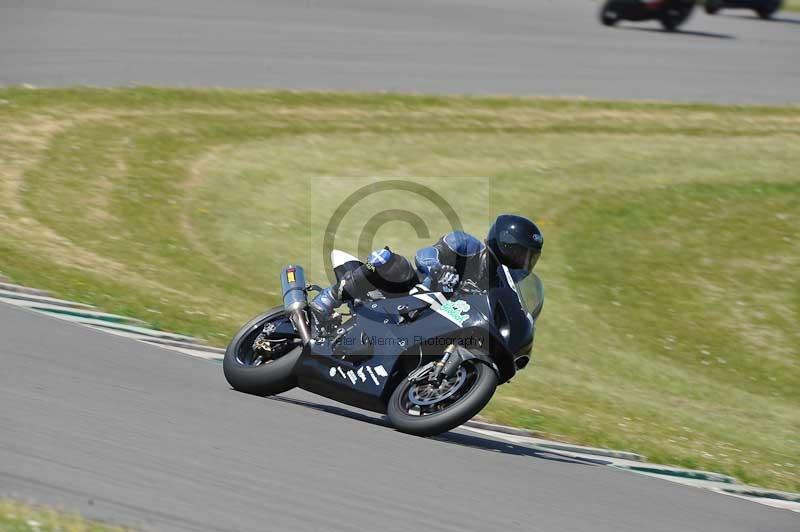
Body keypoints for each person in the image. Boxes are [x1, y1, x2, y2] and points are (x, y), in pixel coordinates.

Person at [309, 214, 543, 323]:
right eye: (519, 254)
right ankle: (329, 297)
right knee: (393, 262)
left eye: (529, 258)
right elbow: (426, 254)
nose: (523, 263)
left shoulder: (505, 287)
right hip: (413, 294)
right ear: (502, 245)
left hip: (443, 320)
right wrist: (438, 269)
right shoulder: (468, 246)